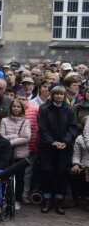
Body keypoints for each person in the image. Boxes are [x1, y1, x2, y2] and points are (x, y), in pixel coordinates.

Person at [37, 85, 80, 214]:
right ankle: (47, 200)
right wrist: (52, 142)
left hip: (64, 148)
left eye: (61, 94)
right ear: (52, 95)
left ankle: (59, 201)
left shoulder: (70, 110)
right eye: (57, 94)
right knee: (47, 173)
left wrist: (65, 142)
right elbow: (42, 128)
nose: (59, 96)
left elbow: (73, 128)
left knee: (61, 174)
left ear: (64, 96)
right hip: (47, 148)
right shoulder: (44, 110)